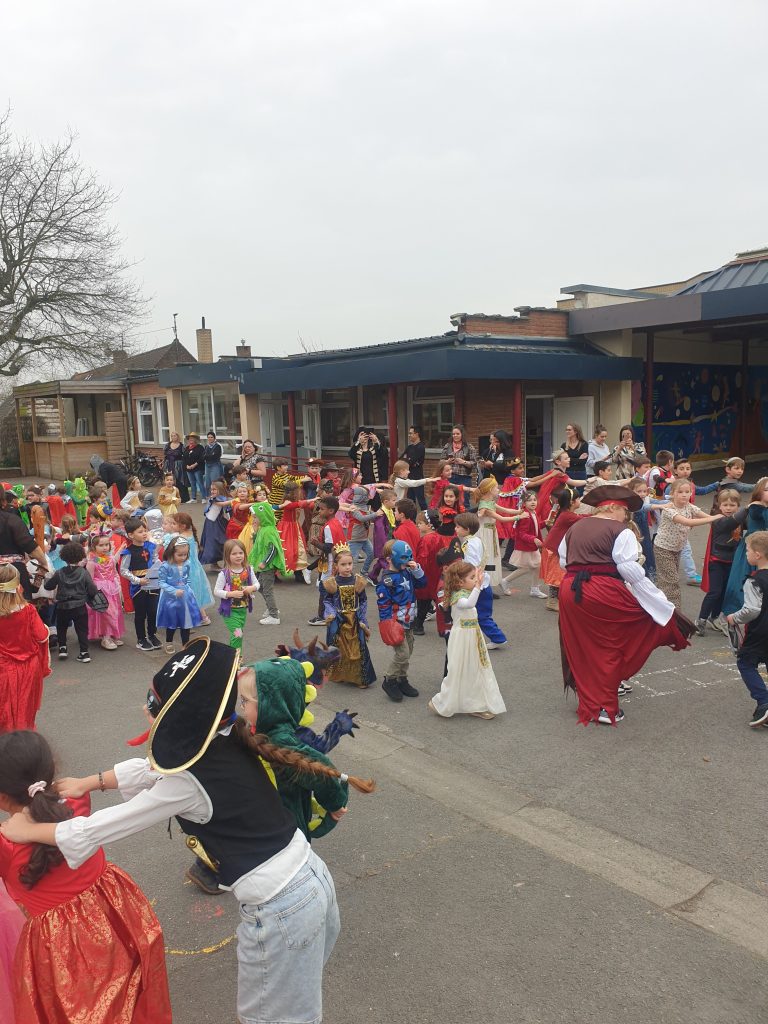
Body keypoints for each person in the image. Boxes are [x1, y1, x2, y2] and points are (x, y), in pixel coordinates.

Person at [0, 642, 342, 1024]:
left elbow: (95, 830)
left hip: (282, 908)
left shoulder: (186, 782)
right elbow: (150, 770)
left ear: (176, 719)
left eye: (152, 704)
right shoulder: (223, 736)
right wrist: (90, 782)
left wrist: (31, 829)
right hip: (312, 877)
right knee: (295, 1011)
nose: (143, 709)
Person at [0, 730, 172, 1023]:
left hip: (59, 942)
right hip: (113, 909)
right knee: (129, 986)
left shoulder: (6, 844)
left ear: (3, 798)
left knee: (79, 1008)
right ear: (50, 769)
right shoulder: (76, 800)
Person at [558, 485, 694, 725]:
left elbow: (563, 561)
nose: (626, 517)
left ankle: (590, 692)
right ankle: (602, 706)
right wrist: (658, 601)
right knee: (612, 643)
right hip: (601, 591)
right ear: (614, 508)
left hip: (570, 590)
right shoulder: (620, 531)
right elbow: (630, 570)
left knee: (582, 644)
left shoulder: (576, 527)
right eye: (625, 512)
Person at [428, 561, 507, 720]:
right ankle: (441, 702)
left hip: (472, 636)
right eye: (471, 578)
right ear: (459, 582)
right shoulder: (458, 597)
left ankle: (474, 704)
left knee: (474, 670)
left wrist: (477, 582)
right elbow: (470, 603)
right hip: (462, 639)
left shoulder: (465, 592)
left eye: (474, 577)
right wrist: (478, 586)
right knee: (459, 670)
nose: (475, 580)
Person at [654, 479, 721, 607]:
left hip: (677, 548)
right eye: (680, 492)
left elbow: (704, 516)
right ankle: (675, 612)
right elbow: (688, 522)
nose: (684, 495)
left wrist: (720, 519)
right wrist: (715, 518)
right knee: (671, 582)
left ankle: (659, 604)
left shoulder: (689, 506)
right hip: (663, 549)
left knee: (666, 579)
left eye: (687, 492)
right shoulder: (669, 509)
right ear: (672, 494)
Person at [0, 565, 50, 732]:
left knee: (4, 709)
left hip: (3, 668)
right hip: (29, 667)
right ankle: (23, 740)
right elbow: (41, 636)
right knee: (25, 708)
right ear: (17, 585)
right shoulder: (28, 610)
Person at [725, 531, 768, 727]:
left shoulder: (754, 580)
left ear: (758, 555)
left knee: (746, 663)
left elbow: (752, 609)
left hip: (760, 631)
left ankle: (764, 702)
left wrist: (734, 618)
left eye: (748, 550)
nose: (747, 553)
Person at [377, 539, 426, 702]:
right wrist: (387, 626)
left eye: (409, 557)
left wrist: (417, 570)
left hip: (409, 621)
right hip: (396, 624)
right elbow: (383, 604)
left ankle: (401, 679)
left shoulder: (407, 572)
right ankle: (389, 680)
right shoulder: (387, 580)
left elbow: (422, 584)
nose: (408, 561)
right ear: (390, 559)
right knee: (402, 653)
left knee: (408, 651)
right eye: (404, 558)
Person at [694, 489, 748, 636]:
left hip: (732, 562)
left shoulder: (739, 520)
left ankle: (714, 617)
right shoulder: (718, 519)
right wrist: (748, 508)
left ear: (737, 506)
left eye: (732, 505)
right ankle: (701, 620)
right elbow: (729, 524)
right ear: (719, 506)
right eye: (725, 505)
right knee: (715, 592)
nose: (728, 508)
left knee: (724, 592)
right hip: (716, 562)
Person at [322, 544, 376, 688]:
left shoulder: (358, 581)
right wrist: (331, 613)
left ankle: (360, 679)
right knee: (341, 648)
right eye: (343, 564)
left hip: (355, 620)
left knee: (357, 648)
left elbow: (363, 600)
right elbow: (327, 600)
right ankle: (340, 674)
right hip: (339, 620)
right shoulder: (332, 583)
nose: (347, 567)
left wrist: (361, 617)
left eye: (350, 564)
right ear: (336, 566)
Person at [454, 511, 509, 649]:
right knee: (480, 613)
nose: (455, 529)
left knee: (481, 615)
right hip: (482, 581)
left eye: (458, 526)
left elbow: (471, 565)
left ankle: (498, 638)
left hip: (477, 584)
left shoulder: (468, 544)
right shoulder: (476, 540)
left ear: (467, 529)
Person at [45, 541, 99, 664]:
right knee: (82, 629)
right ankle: (84, 653)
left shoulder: (59, 572)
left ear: (63, 556)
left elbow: (48, 586)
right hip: (79, 605)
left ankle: (63, 648)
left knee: (61, 627)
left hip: (62, 605)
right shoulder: (83, 572)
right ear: (80, 556)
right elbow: (92, 589)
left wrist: (47, 577)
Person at [722, 478, 768, 615]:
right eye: (766, 490)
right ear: (759, 492)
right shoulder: (756, 507)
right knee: (743, 582)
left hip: (763, 548)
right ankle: (734, 614)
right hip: (752, 550)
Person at [119, 517, 161, 652]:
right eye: (140, 532)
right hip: (138, 587)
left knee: (153, 611)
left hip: (153, 583)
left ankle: (152, 635)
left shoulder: (150, 546)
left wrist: (159, 568)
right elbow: (123, 570)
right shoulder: (128, 552)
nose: (144, 534)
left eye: (145, 531)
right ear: (131, 535)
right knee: (140, 614)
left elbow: (155, 560)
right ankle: (141, 639)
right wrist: (137, 580)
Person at [156, 535, 204, 653]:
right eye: (180, 555)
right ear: (171, 553)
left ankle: (185, 645)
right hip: (171, 598)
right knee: (172, 621)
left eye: (185, 554)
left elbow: (187, 578)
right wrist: (174, 591)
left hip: (185, 597)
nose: (183, 557)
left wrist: (189, 588)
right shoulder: (165, 566)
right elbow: (161, 582)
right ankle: (169, 642)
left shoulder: (187, 563)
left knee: (186, 621)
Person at [539, 486, 581, 612]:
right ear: (572, 502)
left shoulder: (566, 513)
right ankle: (552, 601)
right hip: (553, 549)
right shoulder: (567, 515)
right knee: (556, 575)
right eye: (578, 499)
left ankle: (556, 599)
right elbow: (583, 519)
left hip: (554, 548)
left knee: (559, 574)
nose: (580, 501)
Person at [474, 476, 521, 589]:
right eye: (496, 488)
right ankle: (484, 584)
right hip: (485, 533)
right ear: (490, 490)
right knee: (486, 557)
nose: (498, 489)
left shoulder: (490, 502)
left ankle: (489, 583)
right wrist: (519, 517)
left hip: (491, 532)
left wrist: (520, 511)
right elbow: (502, 518)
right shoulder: (485, 506)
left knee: (491, 556)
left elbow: (506, 510)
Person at [167, 510, 214, 619]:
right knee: (195, 590)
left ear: (183, 526)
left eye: (174, 523)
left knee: (189, 591)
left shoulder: (180, 538)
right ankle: (200, 615)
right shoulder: (189, 534)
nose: (172, 525)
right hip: (195, 567)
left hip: (186, 568)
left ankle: (201, 616)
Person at [501, 491, 547, 599]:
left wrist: (545, 522)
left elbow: (535, 526)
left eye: (534, 500)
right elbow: (521, 533)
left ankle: (534, 589)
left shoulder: (533, 513)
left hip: (531, 546)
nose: (533, 502)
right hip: (526, 546)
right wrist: (533, 539)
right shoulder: (525, 516)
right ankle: (505, 581)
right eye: (529, 500)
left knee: (537, 565)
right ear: (524, 503)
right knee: (526, 568)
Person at [214, 539, 260, 650]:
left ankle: (230, 656)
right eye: (234, 554)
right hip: (229, 611)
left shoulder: (248, 569)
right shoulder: (224, 573)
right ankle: (238, 658)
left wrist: (252, 588)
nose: (238, 556)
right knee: (238, 634)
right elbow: (216, 591)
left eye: (240, 553)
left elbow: (257, 584)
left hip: (242, 609)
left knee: (237, 635)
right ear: (227, 556)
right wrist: (230, 594)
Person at [248, 501, 286, 625]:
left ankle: (274, 615)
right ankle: (272, 608)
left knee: (267, 590)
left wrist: (264, 562)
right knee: (260, 587)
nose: (254, 520)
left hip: (267, 567)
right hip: (263, 567)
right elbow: (258, 545)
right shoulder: (263, 529)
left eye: (256, 517)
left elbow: (273, 549)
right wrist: (255, 533)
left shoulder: (268, 531)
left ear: (263, 516)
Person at [86, 531, 125, 651]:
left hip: (112, 589)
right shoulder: (92, 562)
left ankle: (113, 634)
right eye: (101, 545)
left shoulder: (110, 559)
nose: (104, 547)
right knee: (106, 613)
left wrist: (118, 586)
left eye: (106, 545)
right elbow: (90, 579)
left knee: (115, 612)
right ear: (93, 547)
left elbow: (114, 571)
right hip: (100, 590)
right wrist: (92, 593)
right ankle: (106, 637)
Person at [413, 509, 444, 636]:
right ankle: (445, 625)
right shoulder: (438, 537)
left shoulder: (426, 540)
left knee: (423, 601)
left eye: (420, 523)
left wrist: (416, 571)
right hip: (436, 572)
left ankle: (418, 625)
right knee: (436, 599)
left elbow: (423, 559)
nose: (418, 526)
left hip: (426, 574)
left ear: (429, 525)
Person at [276, 482, 315, 583]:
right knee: (287, 549)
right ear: (293, 492)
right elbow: (298, 504)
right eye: (298, 491)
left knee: (298, 549)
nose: (300, 492)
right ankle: (275, 573)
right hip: (287, 528)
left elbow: (301, 504)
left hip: (294, 527)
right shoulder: (287, 502)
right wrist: (313, 499)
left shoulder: (293, 500)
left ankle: (298, 573)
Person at [199, 480, 231, 568]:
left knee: (224, 542)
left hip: (221, 522)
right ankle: (214, 563)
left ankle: (225, 563)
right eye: (211, 489)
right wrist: (235, 500)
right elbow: (222, 504)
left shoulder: (224, 497)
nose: (212, 491)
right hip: (212, 524)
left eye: (214, 489)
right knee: (213, 542)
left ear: (220, 489)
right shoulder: (213, 499)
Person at [269, 458, 311, 522]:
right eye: (284, 466)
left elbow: (294, 478)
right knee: (275, 520)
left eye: (287, 465)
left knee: (283, 520)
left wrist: (305, 477)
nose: (287, 467)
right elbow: (287, 485)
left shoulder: (286, 475)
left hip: (284, 502)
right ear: (278, 468)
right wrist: (302, 480)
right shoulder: (276, 478)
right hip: (276, 503)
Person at [400, 426, 428, 509]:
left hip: (417, 477)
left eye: (411, 433)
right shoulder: (409, 447)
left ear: (417, 434)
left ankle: (426, 516)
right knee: (410, 501)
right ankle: (412, 516)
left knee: (421, 500)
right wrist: (409, 460)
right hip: (409, 477)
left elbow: (412, 461)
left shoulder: (421, 447)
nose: (409, 435)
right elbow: (401, 459)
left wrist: (408, 460)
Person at [163, 430, 189, 503]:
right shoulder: (167, 445)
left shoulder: (181, 446)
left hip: (178, 466)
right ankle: (171, 498)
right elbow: (165, 454)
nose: (173, 437)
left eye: (175, 436)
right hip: (169, 465)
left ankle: (183, 498)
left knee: (180, 481)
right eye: (172, 436)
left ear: (177, 437)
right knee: (170, 481)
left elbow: (185, 456)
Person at [183, 433, 206, 501]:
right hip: (189, 469)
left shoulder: (200, 447)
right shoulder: (187, 448)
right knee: (192, 483)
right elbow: (184, 458)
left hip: (197, 468)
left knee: (200, 482)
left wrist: (195, 464)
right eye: (190, 439)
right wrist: (186, 465)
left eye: (192, 439)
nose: (191, 440)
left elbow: (202, 458)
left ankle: (203, 497)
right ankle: (193, 498)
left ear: (195, 440)